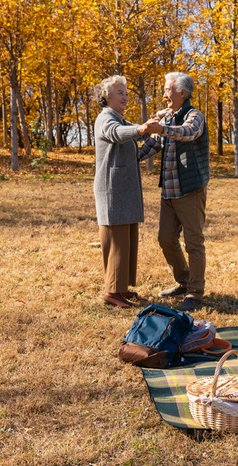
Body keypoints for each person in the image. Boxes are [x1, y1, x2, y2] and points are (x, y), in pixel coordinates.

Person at [138, 72, 210, 312]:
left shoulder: (194, 116)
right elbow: (151, 146)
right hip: (169, 192)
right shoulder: (167, 118)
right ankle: (184, 281)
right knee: (166, 239)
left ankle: (195, 293)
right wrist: (127, 155)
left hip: (189, 190)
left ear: (182, 93)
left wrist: (162, 127)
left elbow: (188, 133)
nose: (164, 94)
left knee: (193, 243)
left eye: (168, 89)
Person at [93, 75, 154, 308]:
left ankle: (121, 287)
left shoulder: (121, 119)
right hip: (113, 190)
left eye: (127, 93)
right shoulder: (105, 119)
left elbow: (136, 143)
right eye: (120, 92)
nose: (125, 97)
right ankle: (112, 292)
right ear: (106, 97)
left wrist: (153, 128)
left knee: (127, 240)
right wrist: (141, 128)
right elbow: (117, 134)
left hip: (124, 191)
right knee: (117, 241)